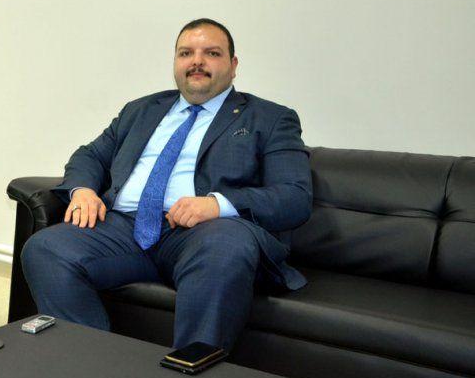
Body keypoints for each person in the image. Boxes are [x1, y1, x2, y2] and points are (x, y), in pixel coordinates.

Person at [20, 18, 311, 351]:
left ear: (233, 66)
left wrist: (216, 204)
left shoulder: (270, 118)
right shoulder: (141, 110)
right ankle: (92, 365)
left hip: (203, 234)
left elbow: (294, 196)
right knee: (46, 248)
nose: (197, 61)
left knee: (225, 244)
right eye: (186, 53)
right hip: (124, 229)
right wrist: (83, 190)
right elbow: (91, 155)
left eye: (212, 53)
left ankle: (188, 374)